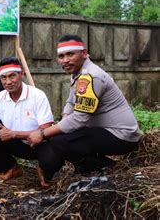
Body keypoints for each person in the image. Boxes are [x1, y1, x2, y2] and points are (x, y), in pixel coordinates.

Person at [27, 34, 143, 187]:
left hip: (122, 136)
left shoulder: (90, 76)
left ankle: (101, 166)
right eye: (61, 56)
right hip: (105, 131)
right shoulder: (79, 72)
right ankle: (92, 166)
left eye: (70, 54)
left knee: (59, 140)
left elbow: (80, 119)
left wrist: (42, 134)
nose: (65, 60)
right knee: (63, 135)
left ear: (84, 53)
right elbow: (70, 101)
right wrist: (64, 120)